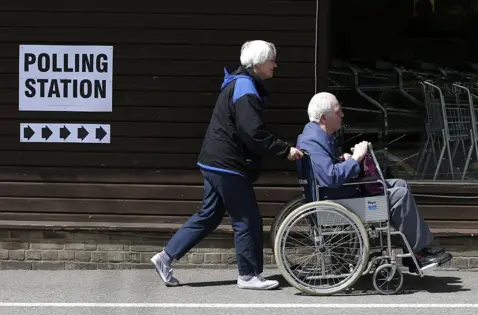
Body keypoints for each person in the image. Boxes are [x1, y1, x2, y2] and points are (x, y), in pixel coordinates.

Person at [150, 40, 304, 290]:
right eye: (272, 60)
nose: (275, 64)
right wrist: (285, 150)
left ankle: (165, 257)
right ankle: (248, 275)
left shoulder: (239, 83)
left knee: (209, 215)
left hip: (214, 161)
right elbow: (252, 132)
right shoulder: (244, 87)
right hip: (227, 163)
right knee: (247, 219)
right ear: (257, 64)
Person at [296, 92, 452, 271]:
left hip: (342, 193)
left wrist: (344, 159)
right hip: (337, 201)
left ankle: (414, 251)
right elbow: (330, 177)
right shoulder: (313, 142)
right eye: (338, 112)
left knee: (400, 184)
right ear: (324, 117)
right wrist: (355, 159)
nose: (342, 115)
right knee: (399, 196)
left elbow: (327, 169)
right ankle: (418, 252)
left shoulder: (317, 137)